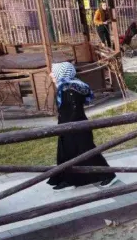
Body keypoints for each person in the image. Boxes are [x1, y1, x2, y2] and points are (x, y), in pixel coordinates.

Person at [47, 62, 117, 191]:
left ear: (62, 73)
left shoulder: (70, 89)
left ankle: (108, 175)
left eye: (54, 72)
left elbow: (74, 112)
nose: (51, 74)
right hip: (67, 126)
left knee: (87, 153)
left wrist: (69, 128)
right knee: (67, 153)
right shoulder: (65, 87)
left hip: (76, 127)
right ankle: (69, 179)